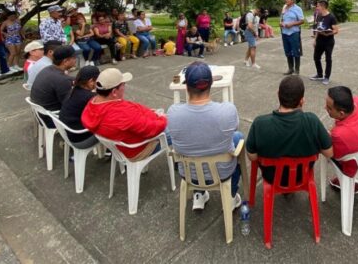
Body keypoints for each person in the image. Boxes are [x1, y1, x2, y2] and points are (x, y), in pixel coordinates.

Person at [167, 62, 243, 210]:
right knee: (238, 136)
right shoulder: (228, 110)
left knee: (194, 142)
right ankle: (231, 197)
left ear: (186, 86)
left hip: (189, 174)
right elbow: (234, 128)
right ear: (211, 83)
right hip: (222, 172)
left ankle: (198, 194)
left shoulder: (173, 112)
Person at [246, 75, 333, 184]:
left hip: (271, 177)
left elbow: (252, 157)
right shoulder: (312, 121)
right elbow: (329, 153)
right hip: (301, 176)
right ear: (302, 101)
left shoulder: (259, 123)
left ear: (278, 94)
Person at [82, 68, 167, 161]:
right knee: (176, 127)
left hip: (119, 146)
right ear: (114, 92)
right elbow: (153, 129)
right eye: (123, 84)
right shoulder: (121, 114)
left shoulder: (93, 103)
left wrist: (150, 114)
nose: (125, 87)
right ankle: (181, 162)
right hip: (137, 149)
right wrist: (163, 118)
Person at [30, 46, 76, 128]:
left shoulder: (48, 69)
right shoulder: (61, 80)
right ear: (65, 61)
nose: (75, 60)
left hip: (42, 114)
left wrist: (80, 79)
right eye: (74, 58)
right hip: (52, 119)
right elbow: (70, 106)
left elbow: (66, 79)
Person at [59, 66, 101, 148]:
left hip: (69, 133)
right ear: (91, 81)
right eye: (98, 81)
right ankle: (111, 153)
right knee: (109, 127)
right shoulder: (89, 97)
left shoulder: (73, 90)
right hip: (80, 139)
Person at [310, 0, 338, 85]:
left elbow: (336, 30)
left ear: (323, 7)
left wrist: (327, 33)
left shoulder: (331, 17)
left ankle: (326, 77)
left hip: (328, 41)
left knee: (328, 59)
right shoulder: (319, 16)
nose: (316, 8)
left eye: (318, 6)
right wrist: (315, 40)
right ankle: (319, 74)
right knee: (316, 57)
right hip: (319, 40)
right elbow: (318, 29)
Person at [280, 0, 305, 75]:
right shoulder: (284, 8)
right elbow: (282, 19)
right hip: (284, 32)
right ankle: (290, 69)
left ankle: (297, 70)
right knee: (287, 51)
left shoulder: (297, 9)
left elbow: (302, 21)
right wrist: (281, 23)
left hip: (294, 33)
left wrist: (292, 24)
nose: (286, 0)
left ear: (292, 0)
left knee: (295, 51)